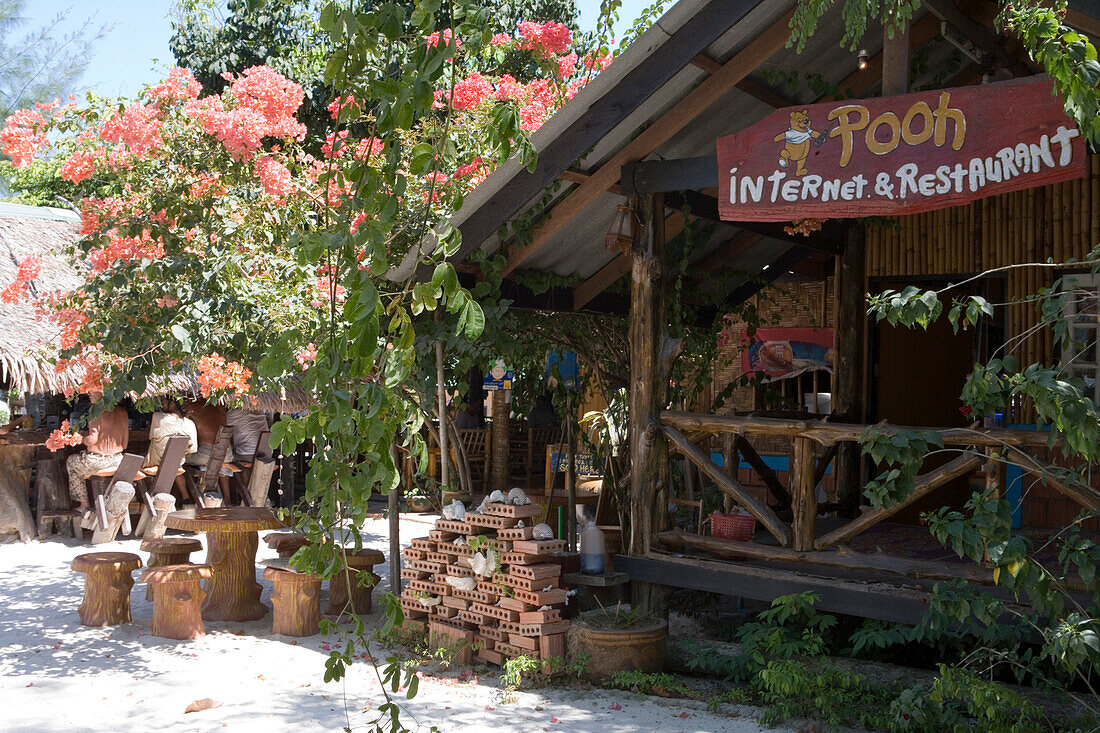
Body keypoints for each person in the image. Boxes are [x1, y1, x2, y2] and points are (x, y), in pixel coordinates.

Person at [66, 402, 129, 513]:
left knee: (71, 462)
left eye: (93, 392)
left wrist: (80, 438)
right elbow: (125, 444)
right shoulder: (123, 412)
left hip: (97, 462)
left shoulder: (96, 412)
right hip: (118, 461)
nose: (90, 394)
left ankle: (84, 504)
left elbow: (91, 440)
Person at [144, 398, 199, 470]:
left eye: (163, 404)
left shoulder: (158, 417)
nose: (161, 406)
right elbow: (192, 450)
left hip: (155, 463)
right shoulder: (190, 424)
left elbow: (151, 437)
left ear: (172, 404)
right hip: (176, 464)